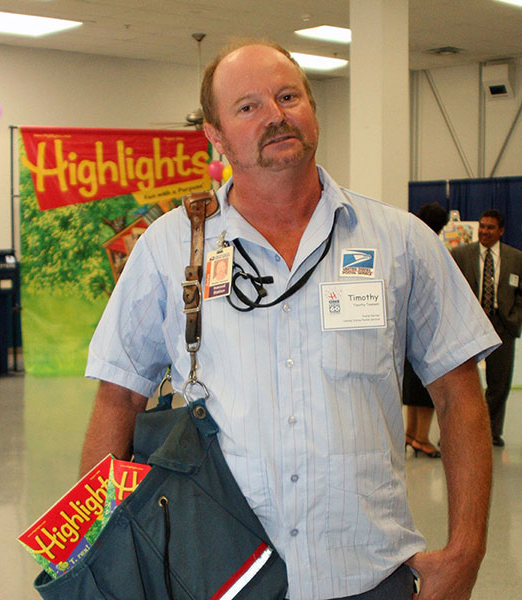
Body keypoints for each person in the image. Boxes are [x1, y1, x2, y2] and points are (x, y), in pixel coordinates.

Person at [81, 40, 500, 600]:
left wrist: (466, 552)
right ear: (216, 135)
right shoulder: (168, 248)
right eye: (248, 106)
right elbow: (119, 399)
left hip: (369, 576)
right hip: (214, 576)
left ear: (312, 108)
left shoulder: (401, 243)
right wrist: (101, 557)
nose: (275, 116)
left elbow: (458, 394)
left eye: (288, 96)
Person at [451, 209, 522, 447]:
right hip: (469, 325)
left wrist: (515, 317)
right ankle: (458, 433)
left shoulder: (515, 258)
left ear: (501, 231)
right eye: (482, 226)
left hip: (502, 325)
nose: (484, 231)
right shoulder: (461, 254)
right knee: (461, 382)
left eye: (490, 227)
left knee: (499, 384)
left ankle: (491, 432)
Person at [403, 203, 448, 459]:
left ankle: (410, 434)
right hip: (426, 328)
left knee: (410, 386)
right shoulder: (432, 246)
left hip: (404, 327)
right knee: (427, 388)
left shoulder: (405, 239)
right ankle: (421, 438)